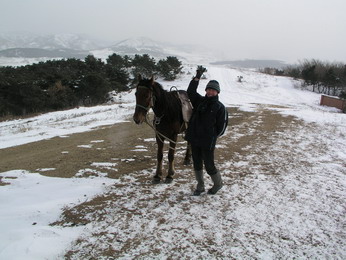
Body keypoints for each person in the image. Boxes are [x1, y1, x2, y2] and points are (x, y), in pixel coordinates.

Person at [185, 66, 228, 196]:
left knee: (209, 165)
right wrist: (197, 78)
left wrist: (212, 137)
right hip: (194, 138)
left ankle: (218, 183)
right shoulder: (200, 101)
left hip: (207, 142)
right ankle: (200, 186)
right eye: (209, 89)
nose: (210, 92)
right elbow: (190, 92)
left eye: (213, 90)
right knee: (197, 164)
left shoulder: (220, 107)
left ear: (217, 92)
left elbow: (221, 128)